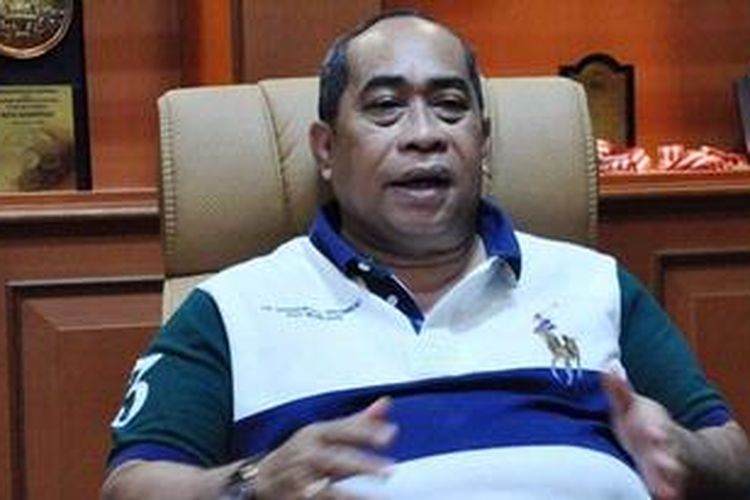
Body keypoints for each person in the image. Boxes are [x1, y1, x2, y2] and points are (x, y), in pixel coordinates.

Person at [101, 10, 750, 500]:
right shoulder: (233, 307)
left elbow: (732, 456)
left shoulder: (596, 283)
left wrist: (684, 451)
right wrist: (250, 482)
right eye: (386, 108)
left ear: (482, 140)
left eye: (450, 106)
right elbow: (130, 484)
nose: (425, 135)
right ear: (326, 149)